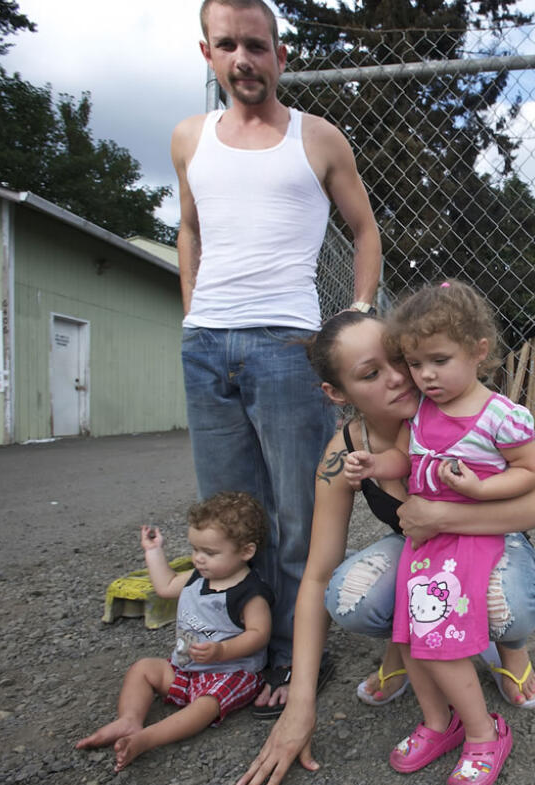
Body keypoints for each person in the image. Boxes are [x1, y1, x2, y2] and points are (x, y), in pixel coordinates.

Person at [236, 310, 535, 785]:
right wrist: (299, 705)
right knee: (349, 596)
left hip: (494, 536)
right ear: (337, 393)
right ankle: (410, 654)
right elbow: (316, 574)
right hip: (424, 547)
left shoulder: (461, 408)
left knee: (508, 606)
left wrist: (444, 517)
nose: (400, 377)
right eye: (370, 374)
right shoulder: (345, 451)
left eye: (398, 359)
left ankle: (508, 652)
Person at [171, 0, 382, 709]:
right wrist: (191, 310)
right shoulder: (188, 139)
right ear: (208, 54)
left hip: (286, 345)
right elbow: (190, 230)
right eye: (227, 46)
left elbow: (364, 229)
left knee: (299, 513)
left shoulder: (317, 138)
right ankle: (243, 648)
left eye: (255, 46)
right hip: (206, 348)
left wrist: (356, 312)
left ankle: (295, 656)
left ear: (280, 55)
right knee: (235, 517)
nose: (243, 60)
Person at [344, 281, 535, 785]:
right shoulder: (424, 413)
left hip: (469, 541)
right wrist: (372, 464)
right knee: (412, 636)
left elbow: (529, 474)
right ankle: (438, 722)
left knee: (444, 640)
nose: (425, 375)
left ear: (478, 351)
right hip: (423, 546)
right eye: (415, 363)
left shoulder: (500, 415)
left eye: (438, 359)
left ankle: (483, 732)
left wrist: (480, 487)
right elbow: (404, 462)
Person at [76, 492, 273, 772]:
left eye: (210, 553)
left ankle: (147, 738)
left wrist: (222, 650)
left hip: (231, 672)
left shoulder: (249, 593)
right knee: (143, 669)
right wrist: (154, 551)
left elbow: (259, 634)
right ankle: (129, 719)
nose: (199, 559)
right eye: (195, 550)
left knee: (205, 706)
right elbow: (165, 585)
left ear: (246, 552)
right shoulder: (198, 577)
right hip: (185, 667)